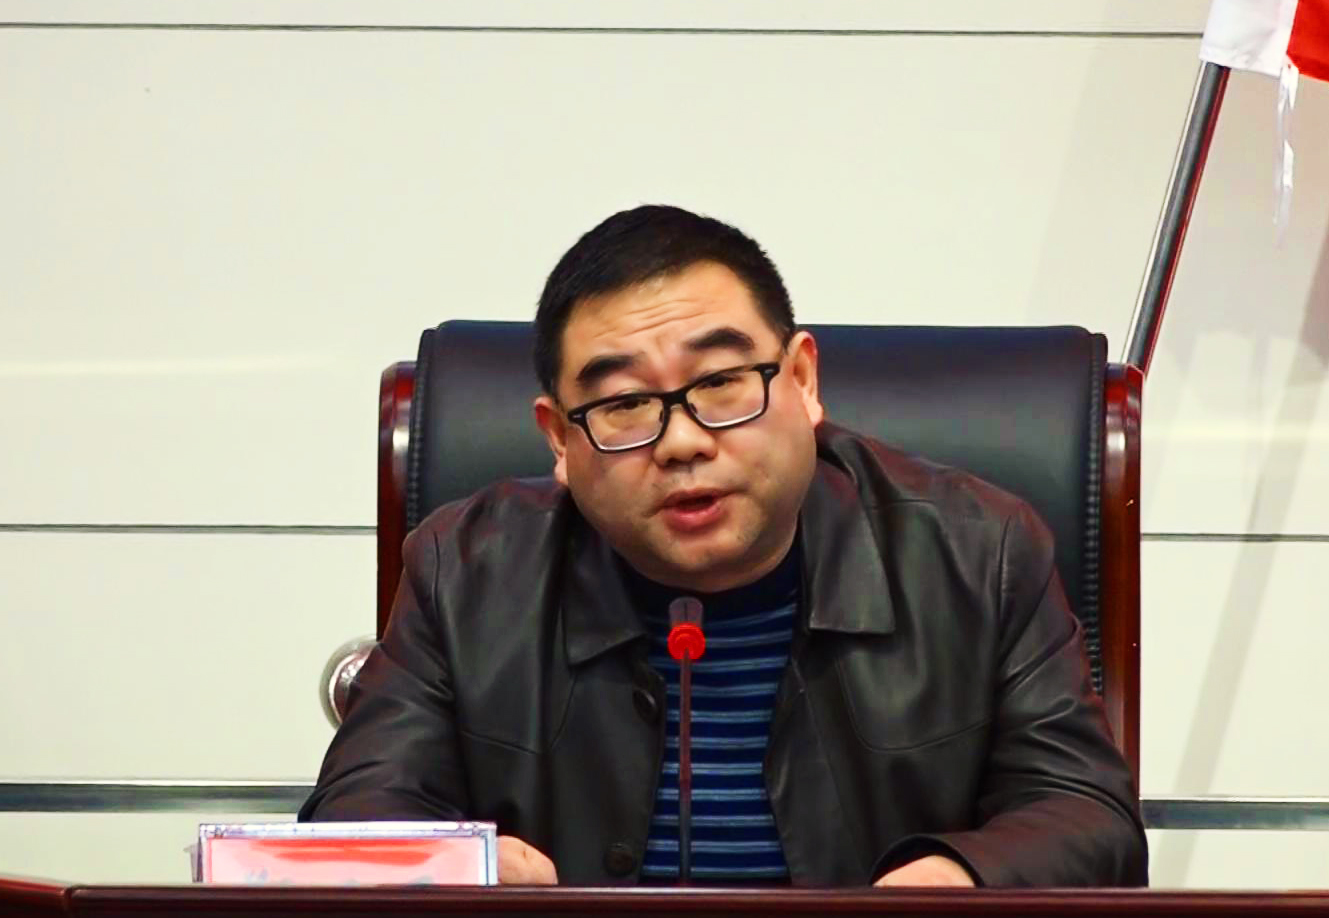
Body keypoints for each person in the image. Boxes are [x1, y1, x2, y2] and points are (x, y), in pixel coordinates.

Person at [300, 205, 1148, 888]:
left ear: (803, 381)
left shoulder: (980, 554)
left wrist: (956, 879)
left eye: (720, 384)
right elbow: (352, 820)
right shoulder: (465, 572)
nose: (682, 443)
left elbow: (1087, 817)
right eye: (623, 404)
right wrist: (453, 866)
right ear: (559, 439)